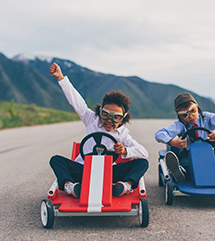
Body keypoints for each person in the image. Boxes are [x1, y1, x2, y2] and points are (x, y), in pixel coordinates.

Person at [49, 62, 149, 198]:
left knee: (142, 163)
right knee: (56, 160)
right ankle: (70, 187)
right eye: (106, 115)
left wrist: (125, 150)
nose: (110, 120)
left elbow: (144, 153)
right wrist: (61, 78)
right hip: (83, 170)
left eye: (116, 117)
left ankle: (125, 186)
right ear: (100, 111)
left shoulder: (123, 134)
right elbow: (77, 102)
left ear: (123, 119)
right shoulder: (91, 119)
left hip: (108, 173)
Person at [155, 92, 215, 184]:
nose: (190, 116)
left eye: (193, 110)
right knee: (186, 165)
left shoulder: (206, 118)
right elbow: (159, 134)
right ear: (179, 116)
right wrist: (174, 142)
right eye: (184, 115)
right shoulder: (180, 125)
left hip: (208, 154)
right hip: (188, 154)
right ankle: (179, 173)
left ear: (197, 108)